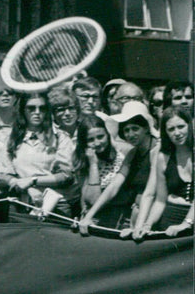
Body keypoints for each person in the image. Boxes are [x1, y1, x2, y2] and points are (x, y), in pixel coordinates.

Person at [78, 102, 159, 236]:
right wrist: (89, 216)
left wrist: (139, 226)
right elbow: (114, 186)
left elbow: (150, 193)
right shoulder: (133, 153)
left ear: (146, 128)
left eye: (135, 128)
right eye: (126, 130)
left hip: (152, 217)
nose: (130, 134)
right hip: (138, 216)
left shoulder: (158, 149)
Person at [0, 92, 76, 218]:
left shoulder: (60, 138)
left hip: (55, 205)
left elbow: (66, 176)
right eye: (31, 108)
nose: (37, 112)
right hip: (20, 204)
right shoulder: (12, 139)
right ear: (23, 110)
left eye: (42, 108)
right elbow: (3, 175)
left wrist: (32, 181)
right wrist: (27, 188)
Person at [132, 107, 194, 238]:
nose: (177, 133)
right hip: (170, 219)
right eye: (171, 129)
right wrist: (146, 225)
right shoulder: (163, 158)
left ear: (189, 125)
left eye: (181, 126)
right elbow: (160, 200)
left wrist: (186, 223)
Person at [72, 114, 126, 222]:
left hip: (119, 214)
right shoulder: (84, 159)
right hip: (94, 215)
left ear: (107, 135)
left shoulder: (123, 154)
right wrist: (93, 164)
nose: (97, 143)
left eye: (101, 137)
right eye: (91, 140)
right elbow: (91, 199)